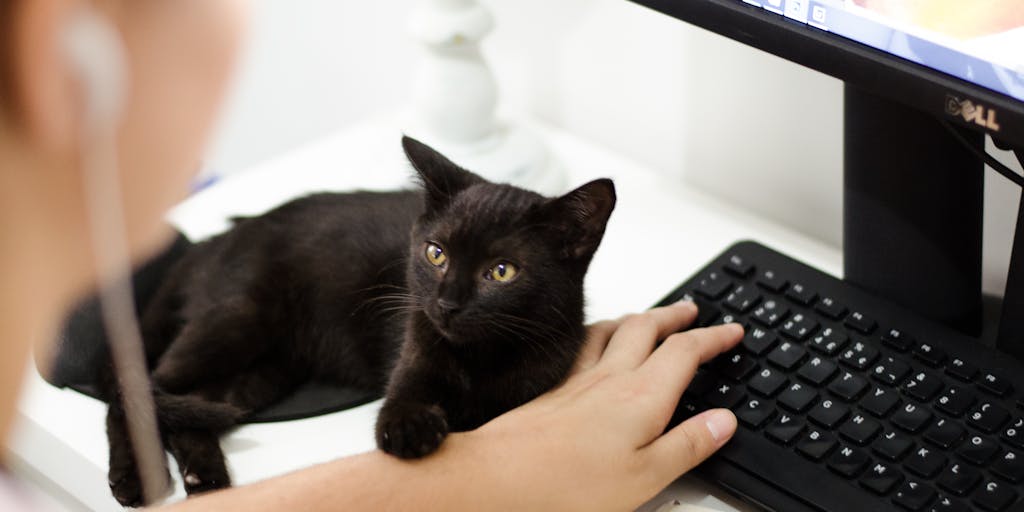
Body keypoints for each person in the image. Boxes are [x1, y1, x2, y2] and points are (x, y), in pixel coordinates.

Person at [0, 0, 742, 510]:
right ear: (64, 56)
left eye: (499, 273)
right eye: (437, 258)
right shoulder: (427, 305)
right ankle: (146, 408)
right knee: (220, 346)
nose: (445, 298)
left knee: (250, 384)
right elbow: (404, 414)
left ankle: (179, 421)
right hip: (285, 261)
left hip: (315, 342)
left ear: (577, 243)